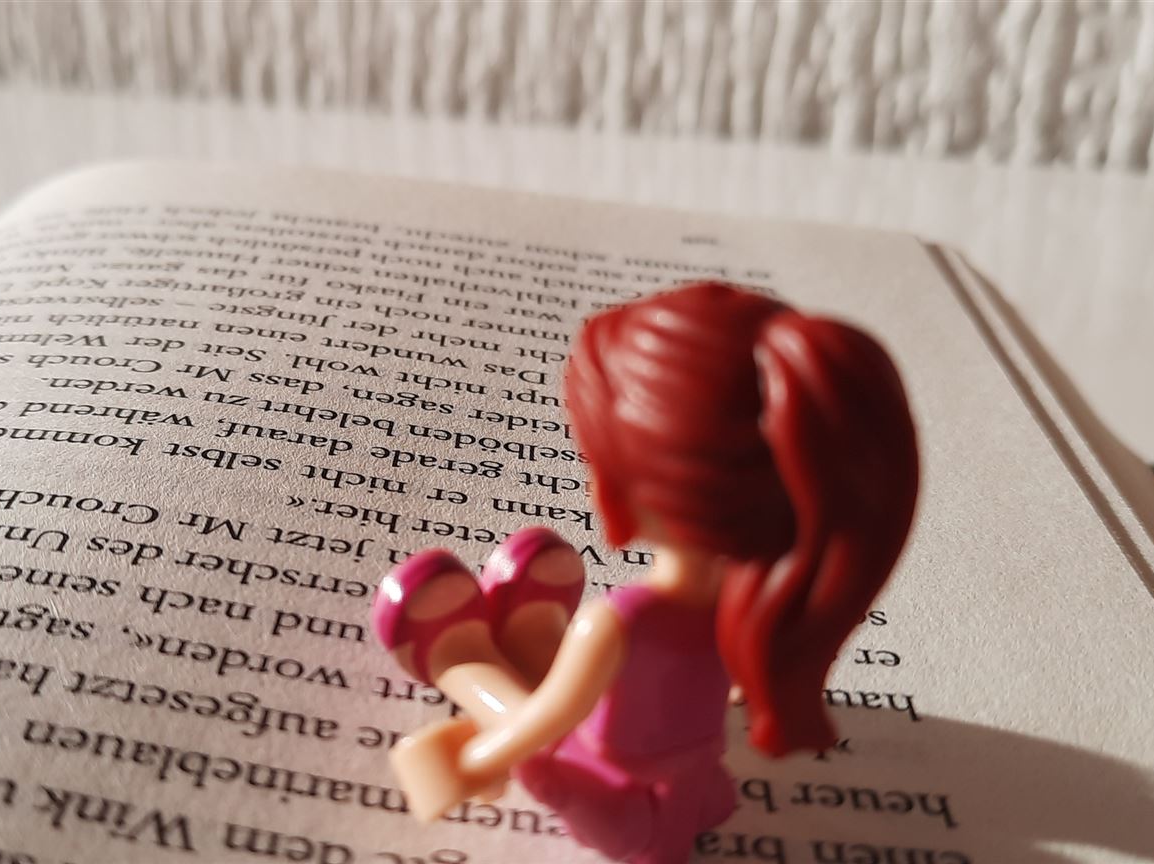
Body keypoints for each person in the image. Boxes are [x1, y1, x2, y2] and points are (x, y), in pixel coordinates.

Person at [372, 281, 921, 864]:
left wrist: (469, 764)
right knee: (591, 686)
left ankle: (460, 660)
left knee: (541, 754)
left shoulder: (617, 623)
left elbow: (544, 721)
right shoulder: (761, 604)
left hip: (616, 800)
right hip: (700, 783)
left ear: (618, 490)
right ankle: (534, 638)